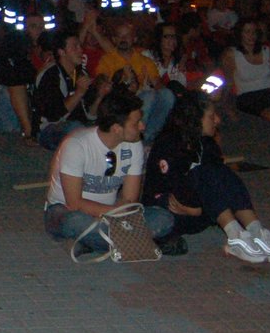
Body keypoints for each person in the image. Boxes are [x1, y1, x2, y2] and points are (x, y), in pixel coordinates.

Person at [147, 87, 270, 262]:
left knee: (222, 171)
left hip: (202, 209)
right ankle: (235, 234)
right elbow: (172, 190)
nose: (217, 120)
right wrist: (198, 207)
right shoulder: (169, 144)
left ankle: (256, 231)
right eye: (212, 117)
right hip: (172, 213)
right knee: (205, 172)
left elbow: (220, 182)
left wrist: (202, 207)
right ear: (194, 119)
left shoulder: (206, 143)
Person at [42, 85, 174, 255]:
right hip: (66, 210)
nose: (142, 127)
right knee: (75, 221)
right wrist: (113, 213)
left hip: (110, 215)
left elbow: (129, 199)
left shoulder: (134, 145)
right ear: (116, 128)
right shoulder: (77, 145)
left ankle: (96, 242)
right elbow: (74, 203)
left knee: (163, 218)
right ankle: (130, 241)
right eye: (136, 123)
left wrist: (115, 214)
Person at [87, 17, 175, 142]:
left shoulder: (144, 60)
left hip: (141, 98)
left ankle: (147, 138)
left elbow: (158, 84)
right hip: (118, 101)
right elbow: (102, 82)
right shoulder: (107, 59)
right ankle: (137, 139)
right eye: (120, 36)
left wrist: (152, 87)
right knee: (148, 97)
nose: (123, 39)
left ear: (134, 39)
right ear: (115, 39)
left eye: (127, 36)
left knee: (166, 94)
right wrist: (123, 82)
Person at [33, 27, 100, 150]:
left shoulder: (81, 73)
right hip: (50, 129)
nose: (81, 51)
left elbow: (90, 115)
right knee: (76, 129)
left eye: (80, 46)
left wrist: (100, 96)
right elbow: (53, 115)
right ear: (61, 52)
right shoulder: (50, 74)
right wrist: (79, 92)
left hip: (78, 126)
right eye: (75, 47)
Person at [218, 17, 270, 120]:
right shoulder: (231, 54)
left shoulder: (267, 51)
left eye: (254, 32)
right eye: (247, 32)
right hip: (248, 96)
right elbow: (229, 81)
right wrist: (224, 103)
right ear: (240, 34)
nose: (251, 35)